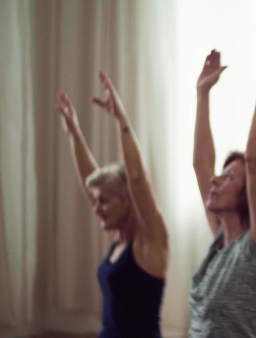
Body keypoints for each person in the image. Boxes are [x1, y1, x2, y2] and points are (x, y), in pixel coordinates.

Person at [189, 16, 256, 338]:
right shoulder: (222, 239)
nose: (215, 180)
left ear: (253, 194)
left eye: (229, 177)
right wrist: (202, 94)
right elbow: (200, 164)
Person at [55, 72, 169, 338]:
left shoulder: (149, 242)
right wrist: (74, 131)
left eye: (104, 202)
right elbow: (90, 183)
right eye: (97, 202)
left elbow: (138, 180)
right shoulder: (119, 240)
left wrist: (122, 121)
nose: (96, 208)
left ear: (129, 201)